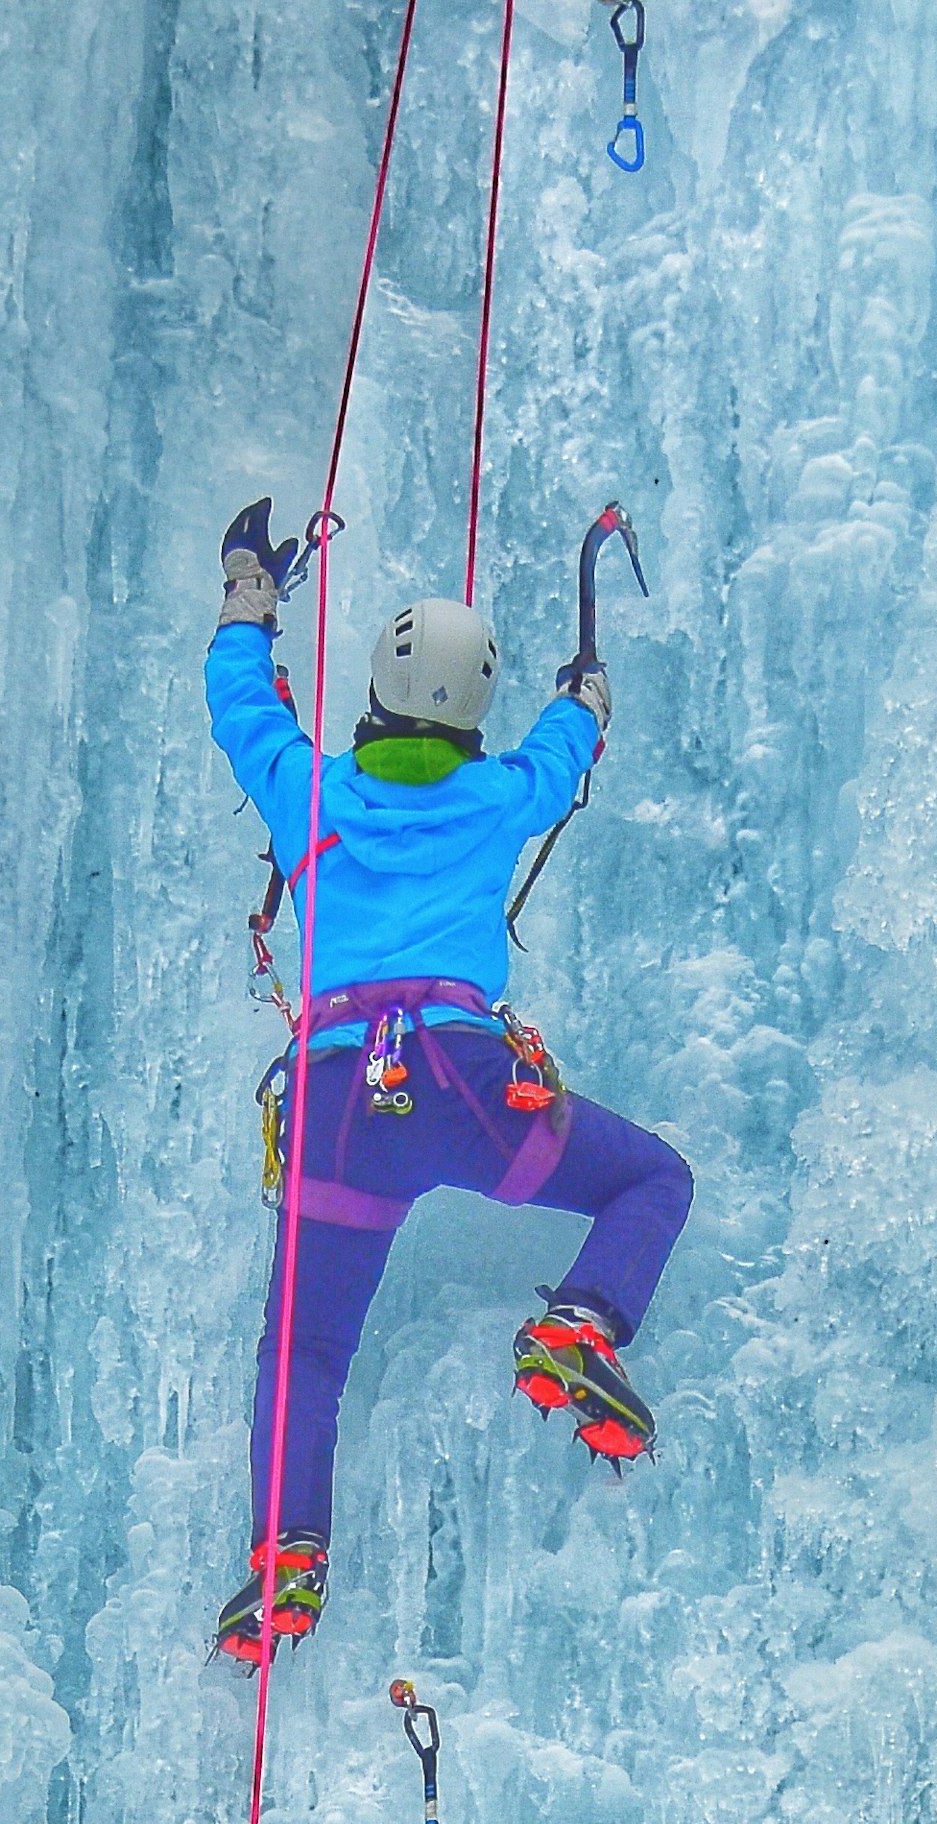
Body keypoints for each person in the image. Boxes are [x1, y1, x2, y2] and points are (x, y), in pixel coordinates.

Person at [205, 499, 693, 1660]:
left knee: (305, 1350)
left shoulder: (308, 790)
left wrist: (248, 596)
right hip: (468, 1089)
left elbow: (240, 709)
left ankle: (287, 1560)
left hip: (336, 1112)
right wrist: (583, 696)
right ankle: (580, 1324)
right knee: (651, 1181)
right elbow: (559, 757)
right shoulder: (493, 797)